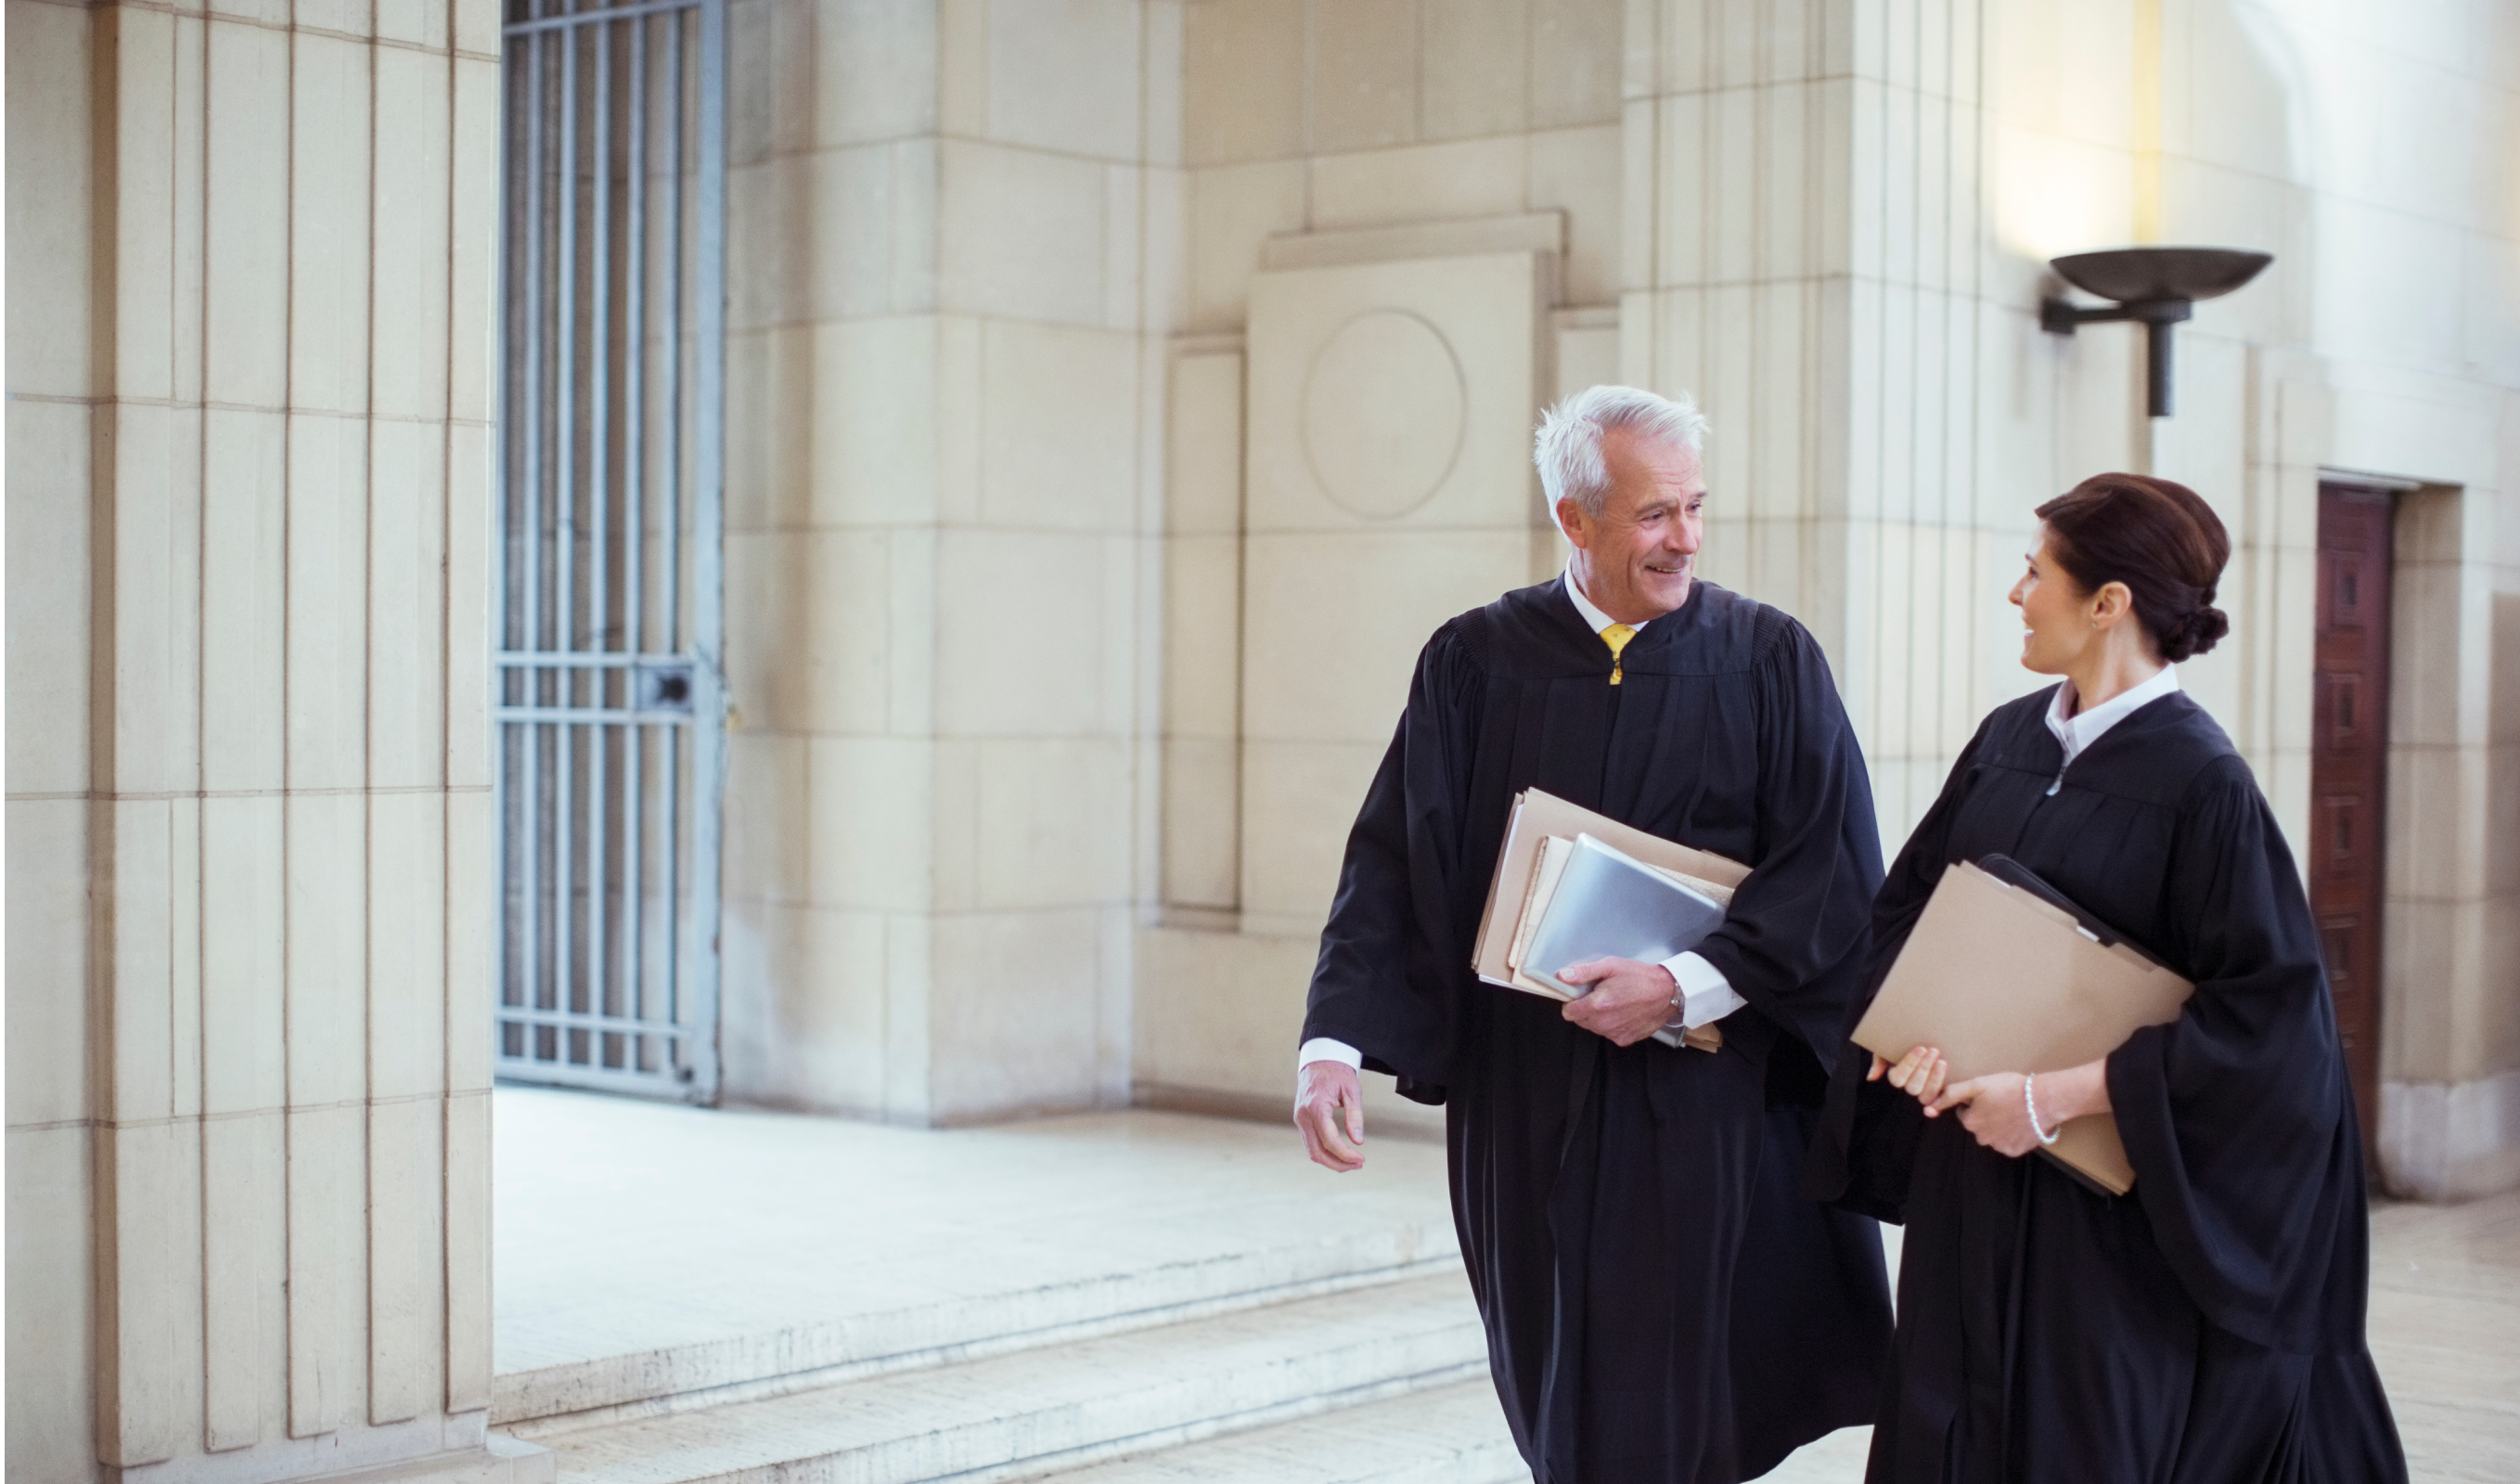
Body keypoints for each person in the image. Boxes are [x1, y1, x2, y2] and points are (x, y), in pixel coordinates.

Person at [1292, 385, 1893, 1484]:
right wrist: (1331, 1044)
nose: (1686, 540)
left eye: (1695, 509)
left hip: (1700, 1091)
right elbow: (1392, 857)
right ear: (1574, 520)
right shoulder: (1473, 662)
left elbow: (1833, 871)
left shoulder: (1766, 660)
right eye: (1655, 515)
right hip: (1522, 1091)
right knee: (1550, 1368)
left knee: (1671, 1388)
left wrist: (1683, 985)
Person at [1807, 473, 2407, 1482]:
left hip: (2098, 1226)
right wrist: (1911, 1040)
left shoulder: (2202, 785)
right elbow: (1903, 918)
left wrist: (2048, 1101)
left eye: (2033, 572)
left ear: (2107, 602)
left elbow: (2273, 1034)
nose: (2015, 594)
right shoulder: (2006, 740)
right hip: (1971, 1184)